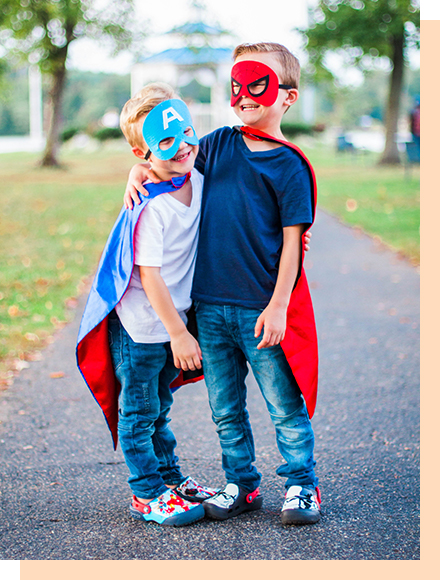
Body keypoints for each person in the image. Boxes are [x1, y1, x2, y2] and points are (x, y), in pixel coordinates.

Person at [123, 43, 321, 526]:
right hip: (209, 310)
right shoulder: (216, 144)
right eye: (237, 86)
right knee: (225, 410)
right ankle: (242, 483)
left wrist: (278, 306)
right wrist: (135, 169)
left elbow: (294, 244)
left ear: (287, 97)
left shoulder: (288, 165)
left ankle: (302, 484)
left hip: (259, 308)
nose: (244, 95)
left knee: (283, 405)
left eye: (258, 85)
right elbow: (168, 157)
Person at [76, 83, 217, 527]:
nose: (182, 147)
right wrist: (179, 331)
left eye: (187, 134)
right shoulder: (151, 208)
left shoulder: (195, 177)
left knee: (159, 406)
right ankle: (147, 493)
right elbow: (149, 275)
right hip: (141, 327)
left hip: (169, 322)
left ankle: (170, 480)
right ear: (143, 152)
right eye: (165, 142)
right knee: (138, 412)